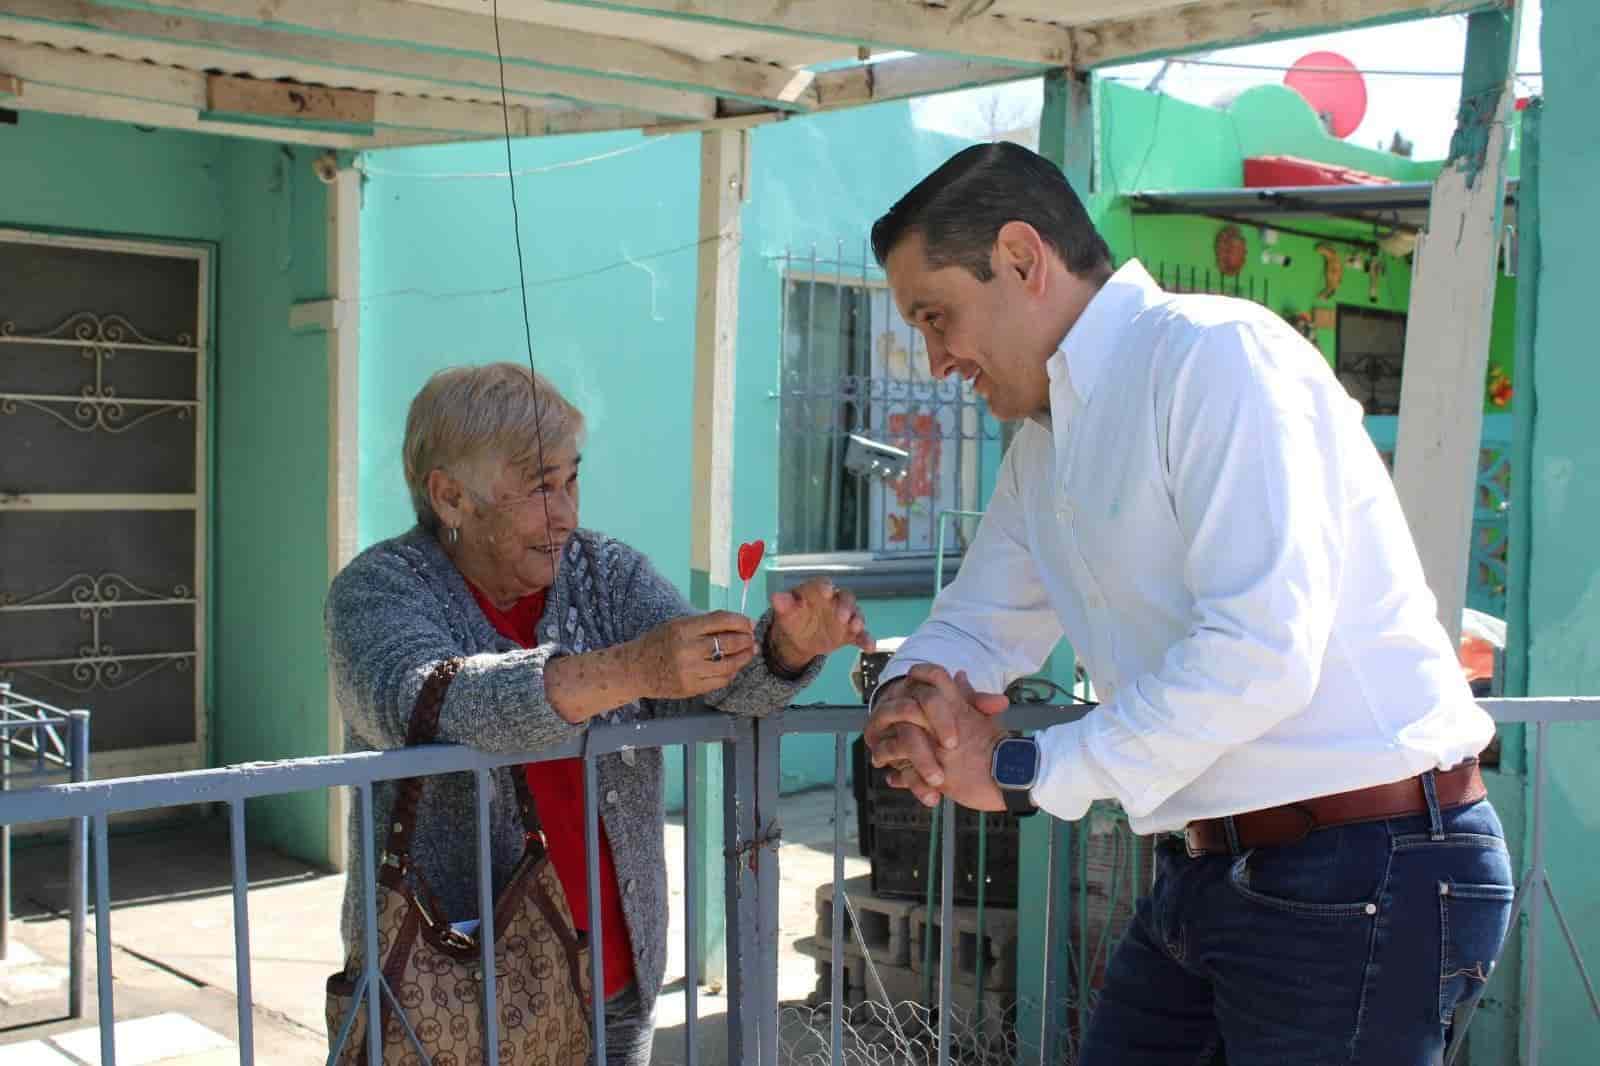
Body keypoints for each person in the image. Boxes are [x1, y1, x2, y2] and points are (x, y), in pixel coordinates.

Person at [862, 143, 1512, 1065]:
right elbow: (975, 621)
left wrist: (1021, 767)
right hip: (1214, 870)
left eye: (938, 317)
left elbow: (1259, 653)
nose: (935, 361)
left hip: (1367, 859)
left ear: (1020, 257)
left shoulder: (1217, 357)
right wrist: (911, 699)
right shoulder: (1045, 446)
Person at [327, 362, 872, 1065]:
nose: (565, 513)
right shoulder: (378, 589)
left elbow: (714, 691)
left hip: (612, 978)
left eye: (570, 480)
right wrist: (629, 670)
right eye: (537, 487)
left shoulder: (603, 573)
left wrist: (785, 652)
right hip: (454, 981)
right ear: (450, 496)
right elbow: (424, 702)